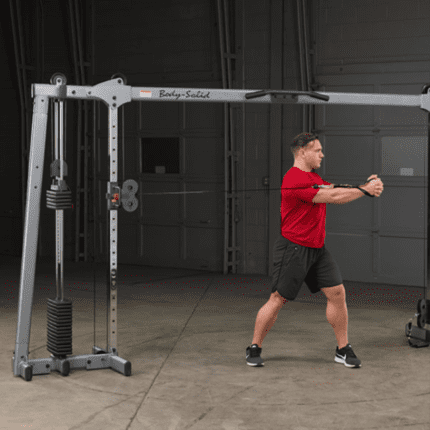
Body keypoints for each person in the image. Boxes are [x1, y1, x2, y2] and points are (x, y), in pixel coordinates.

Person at [246, 132, 384, 368]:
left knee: (337, 293)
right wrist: (366, 190)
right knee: (278, 299)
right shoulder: (294, 178)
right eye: (317, 150)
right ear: (302, 152)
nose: (322, 154)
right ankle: (254, 347)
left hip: (317, 249)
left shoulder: (313, 176)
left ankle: (342, 349)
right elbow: (332, 196)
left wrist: (365, 186)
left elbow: (334, 187)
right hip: (294, 248)